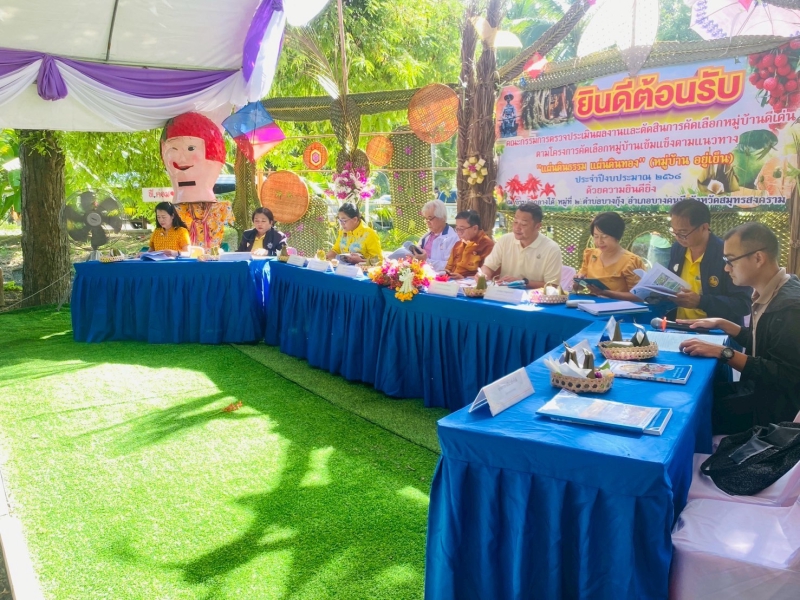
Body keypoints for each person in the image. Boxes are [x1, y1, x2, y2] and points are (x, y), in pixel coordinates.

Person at [679, 223, 800, 434]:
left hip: (774, 414)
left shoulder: (790, 308)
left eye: (730, 260)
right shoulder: (774, 289)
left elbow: (786, 376)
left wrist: (723, 352)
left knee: (690, 413)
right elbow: (764, 342)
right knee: (694, 394)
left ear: (758, 258)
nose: (726, 268)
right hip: (759, 391)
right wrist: (723, 324)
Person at [667, 198, 751, 324]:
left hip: (715, 330)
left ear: (704, 227)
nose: (678, 238)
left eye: (683, 232)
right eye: (674, 232)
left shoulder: (727, 254)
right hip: (678, 325)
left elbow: (742, 304)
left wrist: (701, 301)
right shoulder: (677, 249)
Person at [481, 202, 562, 288]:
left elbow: (552, 285)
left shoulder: (551, 249)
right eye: (515, 222)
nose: (517, 228)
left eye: (523, 224)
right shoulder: (505, 240)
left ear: (537, 226)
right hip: (504, 292)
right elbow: (488, 266)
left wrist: (522, 282)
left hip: (534, 295)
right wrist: (483, 275)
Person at [575, 212, 643, 301]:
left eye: (604, 236)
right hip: (592, 305)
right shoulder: (590, 255)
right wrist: (578, 283)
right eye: (596, 236)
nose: (600, 241)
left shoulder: (631, 261)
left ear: (616, 236)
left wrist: (605, 293)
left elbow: (639, 296)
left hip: (620, 307)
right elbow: (580, 287)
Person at [409, 199, 459, 272]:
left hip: (442, 277)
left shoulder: (453, 238)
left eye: (430, 218)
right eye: (425, 219)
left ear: (442, 218)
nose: (427, 222)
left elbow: (451, 265)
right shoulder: (426, 237)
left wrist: (425, 261)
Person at [445, 210, 495, 279]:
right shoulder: (458, 244)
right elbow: (448, 267)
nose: (459, 233)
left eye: (462, 229)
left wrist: (463, 278)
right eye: (457, 229)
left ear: (475, 228)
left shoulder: (487, 245)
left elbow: (487, 276)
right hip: (452, 282)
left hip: (471, 284)